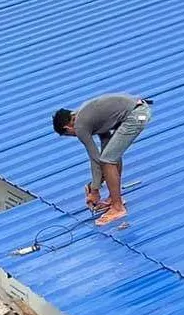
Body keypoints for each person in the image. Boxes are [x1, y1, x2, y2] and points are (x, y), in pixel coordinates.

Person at [52, 93, 152, 224]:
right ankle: (114, 197)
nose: (75, 135)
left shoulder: (80, 126)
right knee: (111, 156)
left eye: (70, 135)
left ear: (68, 127)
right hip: (140, 110)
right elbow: (106, 146)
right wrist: (96, 184)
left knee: (107, 160)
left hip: (137, 115)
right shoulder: (87, 115)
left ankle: (118, 207)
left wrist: (94, 190)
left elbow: (96, 159)